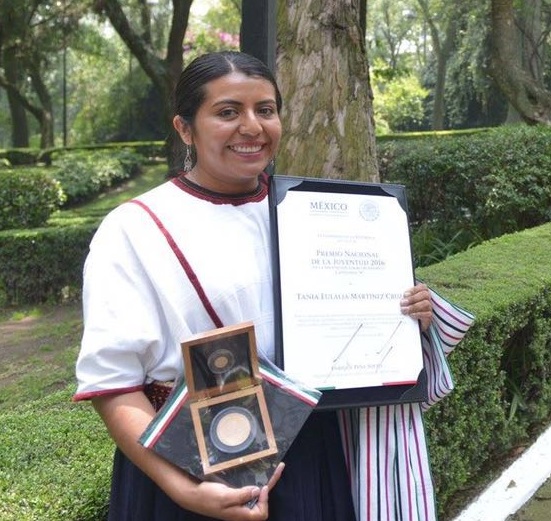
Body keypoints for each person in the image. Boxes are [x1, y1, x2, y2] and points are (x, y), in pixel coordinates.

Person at [74, 51, 474, 521]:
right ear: (185, 128)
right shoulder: (134, 229)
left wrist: (409, 311)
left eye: (265, 110)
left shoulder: (317, 214)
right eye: (227, 112)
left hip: (311, 454)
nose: (252, 126)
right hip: (193, 464)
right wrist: (182, 490)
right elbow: (113, 384)